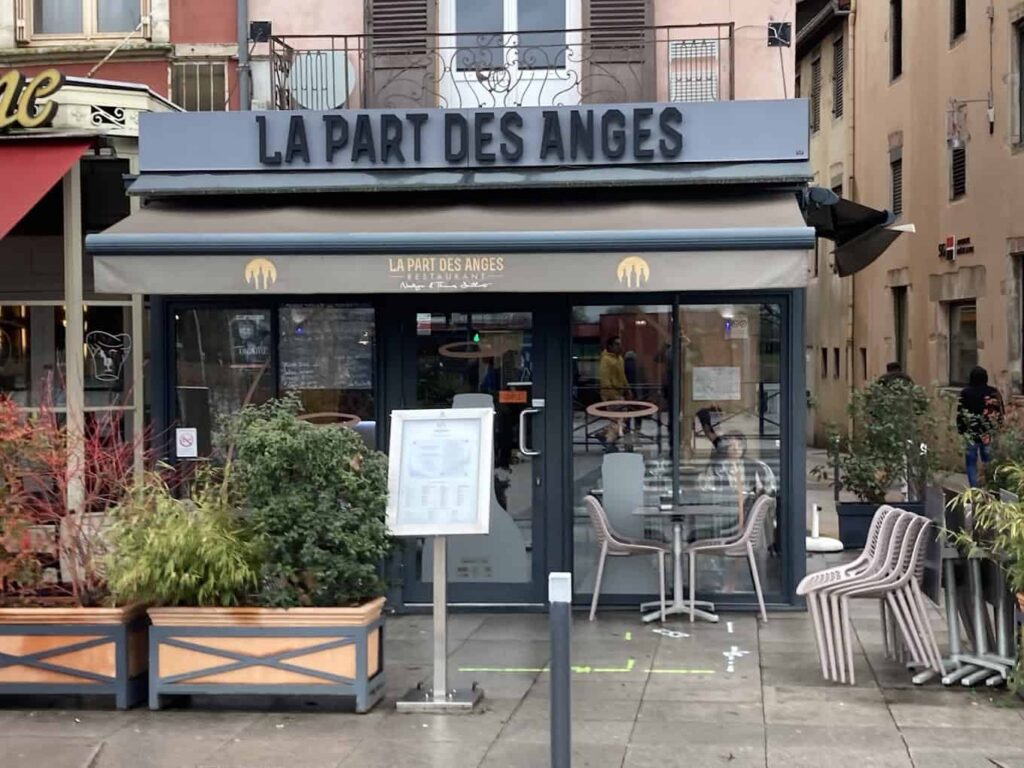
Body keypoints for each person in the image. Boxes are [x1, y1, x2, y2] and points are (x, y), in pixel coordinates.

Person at [956, 365, 1004, 487]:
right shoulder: (993, 392)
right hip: (988, 432)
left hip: (971, 432)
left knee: (971, 463)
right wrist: (999, 425)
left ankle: (975, 489)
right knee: (988, 461)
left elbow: (961, 412)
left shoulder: (966, 392)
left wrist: (961, 428)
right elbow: (999, 410)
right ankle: (989, 486)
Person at [598, 336, 631, 447]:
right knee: (619, 420)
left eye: (619, 344)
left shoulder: (620, 359)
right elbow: (605, 378)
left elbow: (623, 376)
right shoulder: (606, 360)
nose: (619, 346)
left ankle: (606, 437)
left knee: (619, 420)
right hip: (612, 394)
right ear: (610, 346)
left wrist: (628, 389)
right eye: (616, 344)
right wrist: (610, 395)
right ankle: (608, 441)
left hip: (619, 393)